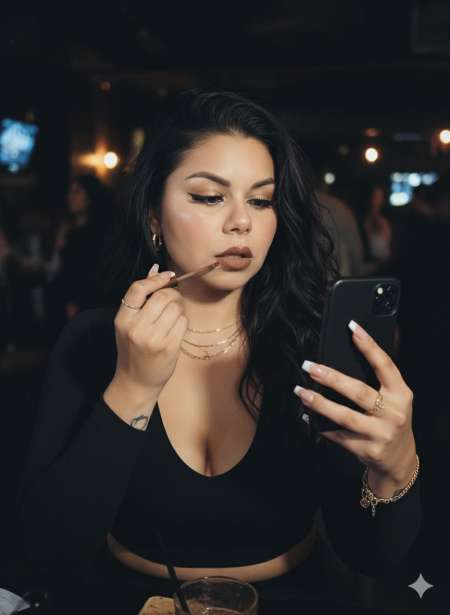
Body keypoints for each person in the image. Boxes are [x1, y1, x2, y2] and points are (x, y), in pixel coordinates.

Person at [18, 90, 421, 614]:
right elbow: (46, 552)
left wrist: (396, 466)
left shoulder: (311, 346)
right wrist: (133, 386)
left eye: (261, 200)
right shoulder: (93, 340)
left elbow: (371, 556)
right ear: (154, 215)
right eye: (209, 197)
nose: (241, 222)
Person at [45, 174, 112, 337]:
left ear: (89, 197)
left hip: (82, 304)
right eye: (70, 192)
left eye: (76, 192)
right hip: (64, 302)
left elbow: (90, 271)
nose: (70, 197)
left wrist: (78, 301)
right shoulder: (68, 229)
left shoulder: (96, 234)